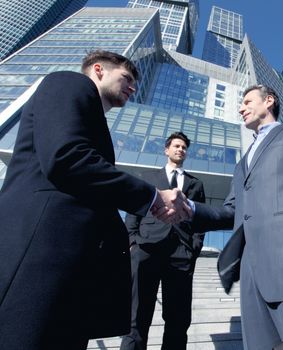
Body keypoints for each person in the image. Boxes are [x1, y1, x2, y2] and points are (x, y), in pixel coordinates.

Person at [0, 50, 190, 350]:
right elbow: (67, 158)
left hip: (69, 263)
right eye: (126, 78)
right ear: (98, 70)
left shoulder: (93, 118)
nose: (132, 88)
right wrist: (153, 197)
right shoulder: (68, 84)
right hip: (39, 253)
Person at [157, 85, 283, 349]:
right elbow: (232, 211)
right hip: (252, 282)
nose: (240, 108)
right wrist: (190, 208)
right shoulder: (242, 164)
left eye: (247, 101)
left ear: (269, 101)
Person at [120, 132, 206, 350]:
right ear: (166, 150)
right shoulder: (148, 178)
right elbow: (133, 211)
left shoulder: (196, 184)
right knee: (136, 316)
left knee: (178, 319)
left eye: (184, 147)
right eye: (176, 146)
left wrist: (194, 248)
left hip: (181, 255)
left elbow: (200, 220)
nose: (180, 149)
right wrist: (132, 243)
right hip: (146, 249)